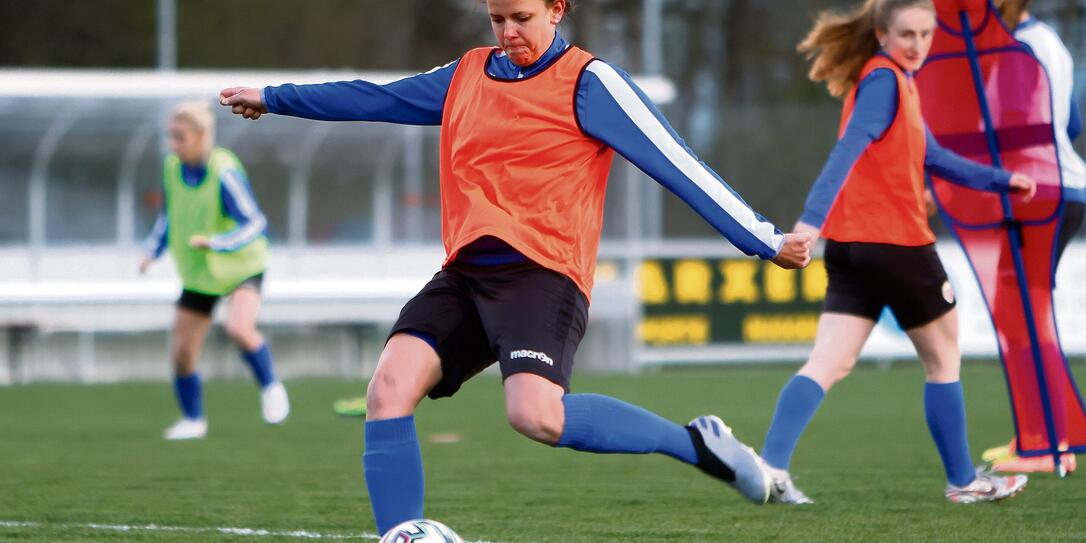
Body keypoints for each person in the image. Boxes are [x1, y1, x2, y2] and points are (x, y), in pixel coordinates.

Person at [220, 0, 811, 534]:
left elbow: (677, 163)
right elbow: (373, 97)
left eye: (522, 18)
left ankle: (695, 444)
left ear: (558, 10)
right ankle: (400, 533)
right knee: (388, 389)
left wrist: (764, 239)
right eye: (497, 18)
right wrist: (274, 98)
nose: (508, 33)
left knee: (535, 415)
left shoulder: (590, 82)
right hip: (466, 273)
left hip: (544, 276)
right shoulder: (466, 76)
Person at [757, 0, 1036, 504]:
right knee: (944, 358)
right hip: (897, 246)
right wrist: (808, 222)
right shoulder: (885, 81)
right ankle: (963, 482)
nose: (918, 45)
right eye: (907, 34)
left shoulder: (894, 82)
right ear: (882, 34)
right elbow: (847, 148)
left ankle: (770, 469)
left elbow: (936, 156)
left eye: (926, 35)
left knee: (828, 363)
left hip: (851, 249)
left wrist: (1000, 181)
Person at [141, 101, 290, 440]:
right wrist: (152, 252)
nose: (174, 145)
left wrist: (216, 243)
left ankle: (271, 387)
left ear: (202, 136)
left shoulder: (223, 171)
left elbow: (255, 222)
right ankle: (193, 420)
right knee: (182, 353)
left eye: (181, 137)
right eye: (171, 137)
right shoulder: (171, 168)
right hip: (200, 273)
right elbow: (168, 215)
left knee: (239, 327)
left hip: (241, 265)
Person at [977, 0, 1082, 474]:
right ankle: (1040, 435)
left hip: (1038, 193)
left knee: (1024, 313)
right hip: (1061, 187)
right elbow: (1073, 124)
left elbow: (1012, 126)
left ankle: (1049, 444)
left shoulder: (1019, 48)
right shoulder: (1050, 43)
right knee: (1018, 311)